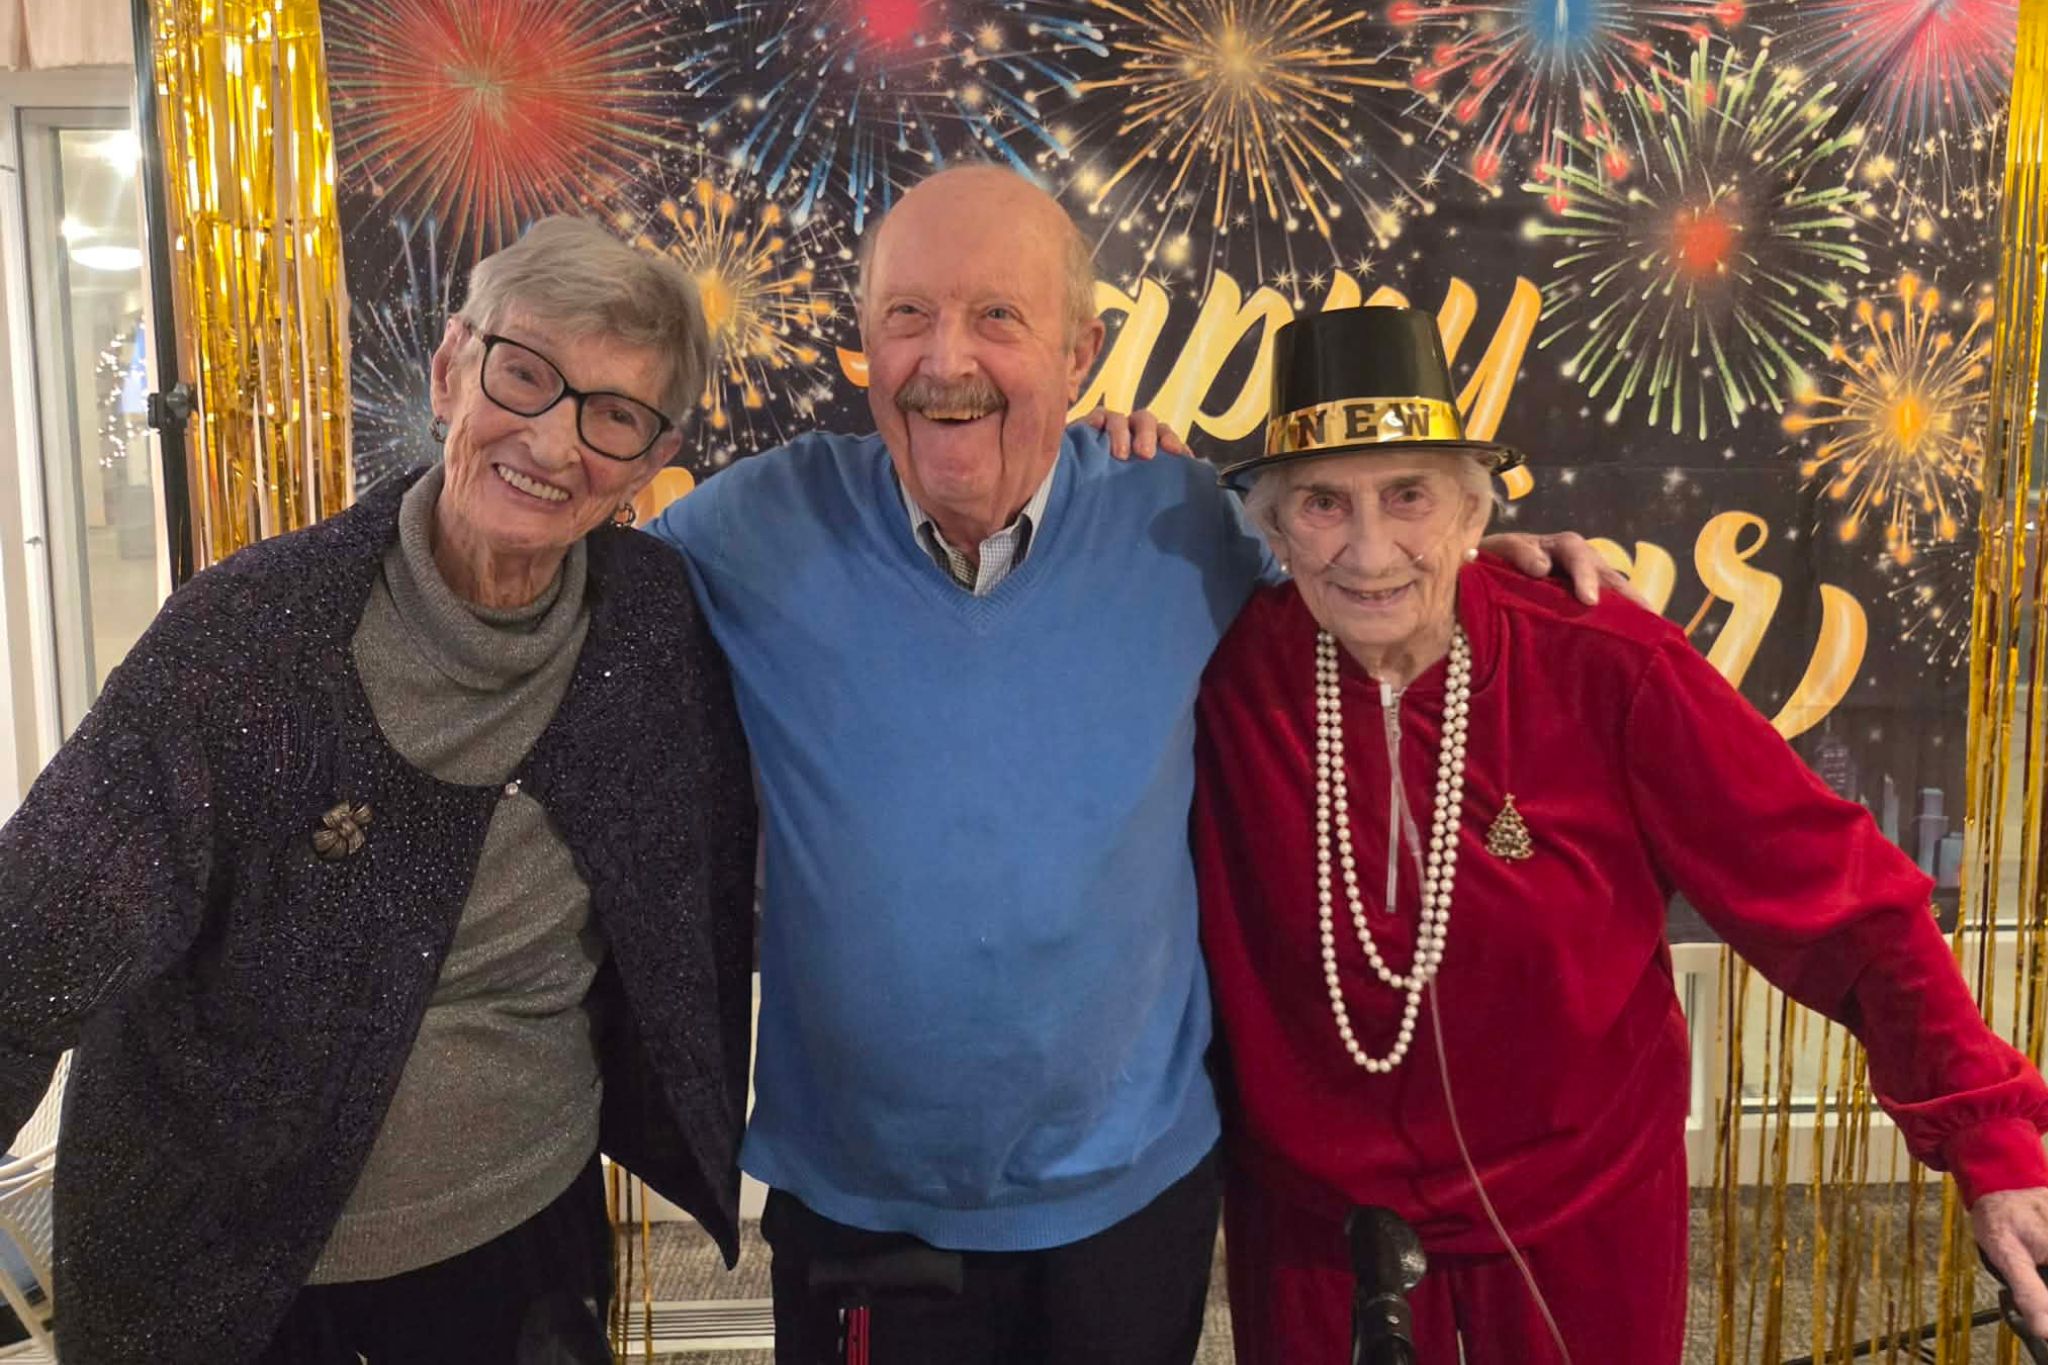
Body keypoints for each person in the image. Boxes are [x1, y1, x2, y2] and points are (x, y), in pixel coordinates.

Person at [643, 162, 1617, 1363]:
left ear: (1082, 354)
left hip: (1130, 1193)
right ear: (863, 344)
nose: (944, 360)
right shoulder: (752, 528)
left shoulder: (1181, 519)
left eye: (998, 316)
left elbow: (1351, 578)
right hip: (861, 1203)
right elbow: (568, 602)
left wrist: (1461, 551)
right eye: (906, 315)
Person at [1192, 305, 2048, 1364]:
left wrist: (1989, 1140)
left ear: (1470, 509)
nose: (1369, 550)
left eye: (1407, 494)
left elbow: (1841, 899)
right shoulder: (1223, 675)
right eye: (1322, 503)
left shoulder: (1600, 657)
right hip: (1316, 1239)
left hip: (1576, 1222)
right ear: (1271, 530)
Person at [0, 217, 757, 1365]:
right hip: (228, 1267)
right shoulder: (247, 641)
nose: (554, 443)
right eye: (525, 373)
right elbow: (29, 944)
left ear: (647, 464)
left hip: (523, 1238)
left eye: (612, 414)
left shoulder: (652, 625)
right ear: (451, 368)